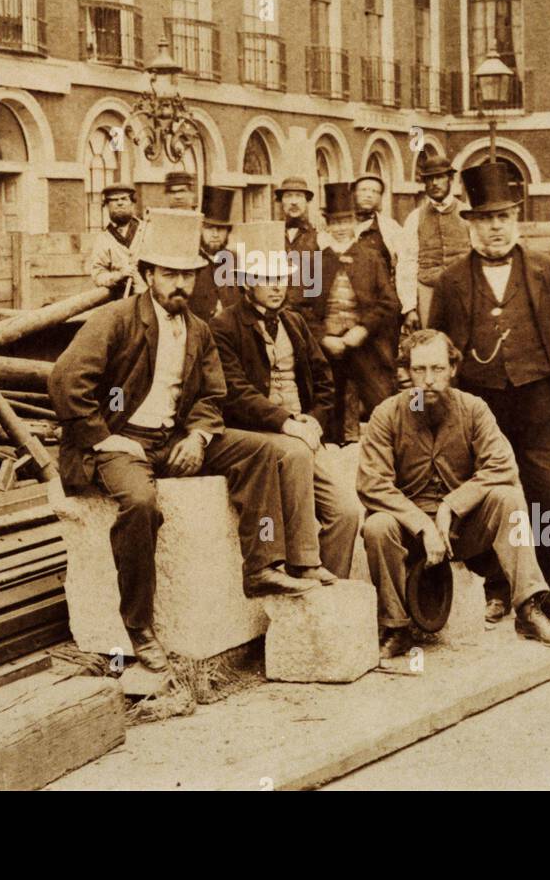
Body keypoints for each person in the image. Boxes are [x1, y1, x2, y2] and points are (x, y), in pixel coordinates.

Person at [48, 209, 329, 675]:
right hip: (120, 443)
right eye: (169, 274)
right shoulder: (115, 320)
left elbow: (213, 394)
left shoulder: (197, 328)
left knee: (268, 450)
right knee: (140, 504)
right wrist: (105, 439)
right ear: (148, 275)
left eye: (188, 275)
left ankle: (261, 565)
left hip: (173, 439)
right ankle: (139, 627)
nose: (180, 284)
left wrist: (199, 435)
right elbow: (65, 381)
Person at [428, 161, 550, 619]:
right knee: (489, 495)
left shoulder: (548, 269)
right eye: (485, 219)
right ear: (472, 225)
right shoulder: (451, 279)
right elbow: (435, 342)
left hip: (540, 399)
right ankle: (499, 588)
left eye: (502, 218)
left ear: (515, 220)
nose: (495, 228)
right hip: (481, 406)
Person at [357, 330, 550, 659]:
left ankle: (529, 610)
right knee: (377, 527)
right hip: (410, 532)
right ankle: (395, 627)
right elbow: (372, 483)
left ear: (453, 368)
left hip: (462, 530)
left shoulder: (473, 409)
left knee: (509, 500)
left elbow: (502, 467)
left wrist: (451, 506)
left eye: (438, 369)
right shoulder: (386, 414)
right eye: (419, 370)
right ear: (406, 371)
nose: (428, 380)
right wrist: (423, 525)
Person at [210, 220, 363, 580]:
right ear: (246, 281)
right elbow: (234, 392)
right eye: (266, 278)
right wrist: (285, 422)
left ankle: (327, 597)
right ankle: (303, 564)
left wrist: (314, 420)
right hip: (261, 436)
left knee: (346, 513)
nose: (276, 286)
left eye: (281, 277)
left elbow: (324, 381)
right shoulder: (224, 327)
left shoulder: (294, 323)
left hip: (303, 433)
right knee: (293, 452)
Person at [304, 182, 400, 443]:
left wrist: (363, 329)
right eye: (335, 222)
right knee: (326, 403)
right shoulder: (315, 261)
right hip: (327, 346)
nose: (341, 227)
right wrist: (323, 337)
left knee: (382, 402)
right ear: (327, 225)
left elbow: (390, 303)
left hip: (365, 345)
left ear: (355, 222)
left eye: (346, 221)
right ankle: (334, 449)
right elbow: (301, 308)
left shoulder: (370, 258)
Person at [398, 148, 470, 328]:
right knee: (431, 345)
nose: (434, 183)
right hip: (428, 291)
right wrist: (410, 307)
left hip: (464, 291)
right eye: (429, 179)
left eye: (439, 177)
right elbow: (407, 262)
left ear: (450, 179)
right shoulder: (415, 217)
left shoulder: (467, 213)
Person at [351, 173, 417, 331]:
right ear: (353, 193)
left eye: (375, 192)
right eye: (364, 190)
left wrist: (409, 308)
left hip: (381, 308)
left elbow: (405, 268)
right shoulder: (340, 227)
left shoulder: (391, 228)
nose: (369, 195)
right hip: (349, 306)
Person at [188, 185, 240, 321]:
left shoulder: (236, 261)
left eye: (221, 229)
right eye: (209, 228)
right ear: (200, 229)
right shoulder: (189, 261)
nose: (215, 234)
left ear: (228, 232)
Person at [88, 183, 143, 298]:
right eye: (114, 200)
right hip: (120, 301)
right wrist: (119, 275)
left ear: (132, 203)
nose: (120, 203)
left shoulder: (146, 231)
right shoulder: (103, 240)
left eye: (124, 199)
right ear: (107, 205)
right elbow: (98, 275)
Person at [277, 175, 320, 312]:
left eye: (299, 196)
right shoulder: (270, 234)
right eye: (288, 196)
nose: (293, 202)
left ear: (307, 201)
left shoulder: (319, 236)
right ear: (281, 201)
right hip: (275, 314)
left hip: (308, 316)